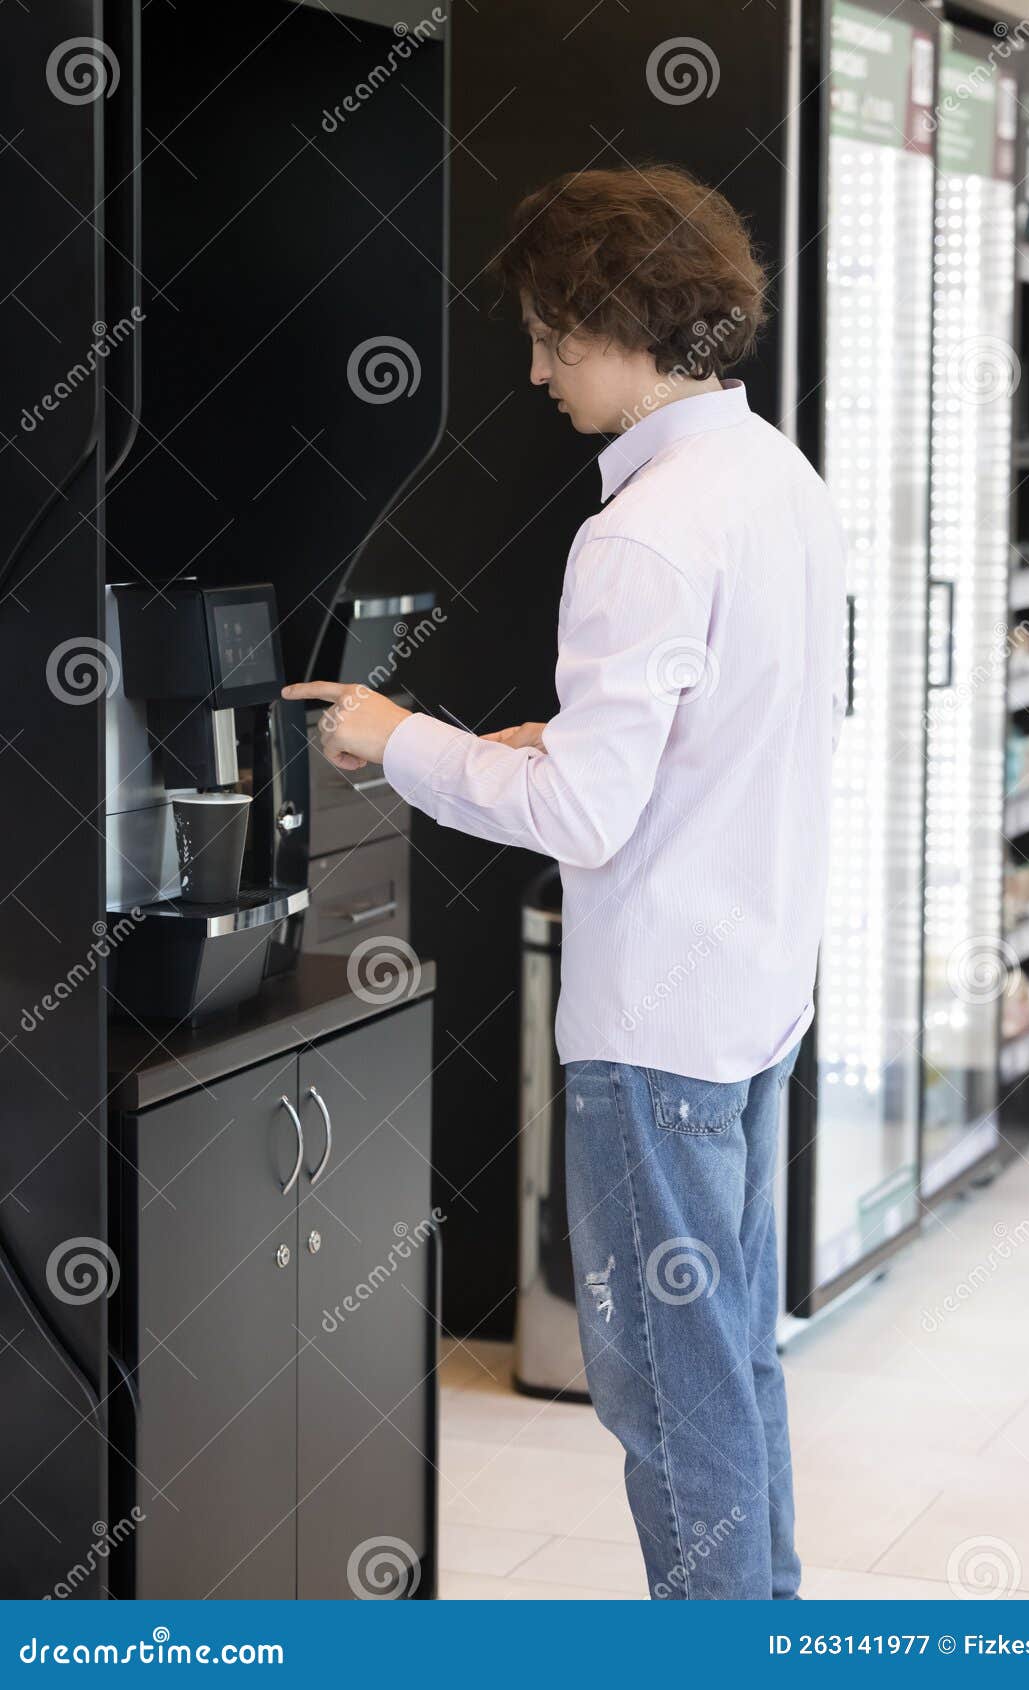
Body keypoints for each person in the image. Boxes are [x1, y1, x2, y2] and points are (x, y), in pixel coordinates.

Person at [283, 163, 847, 1601]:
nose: (535, 368)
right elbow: (724, 726)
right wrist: (570, 737)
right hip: (756, 996)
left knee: (666, 1403)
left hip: (656, 1029)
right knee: (728, 1363)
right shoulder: (776, 479)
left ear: (623, 321)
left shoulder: (639, 531)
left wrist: (399, 739)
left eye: (551, 334)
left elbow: (585, 821)